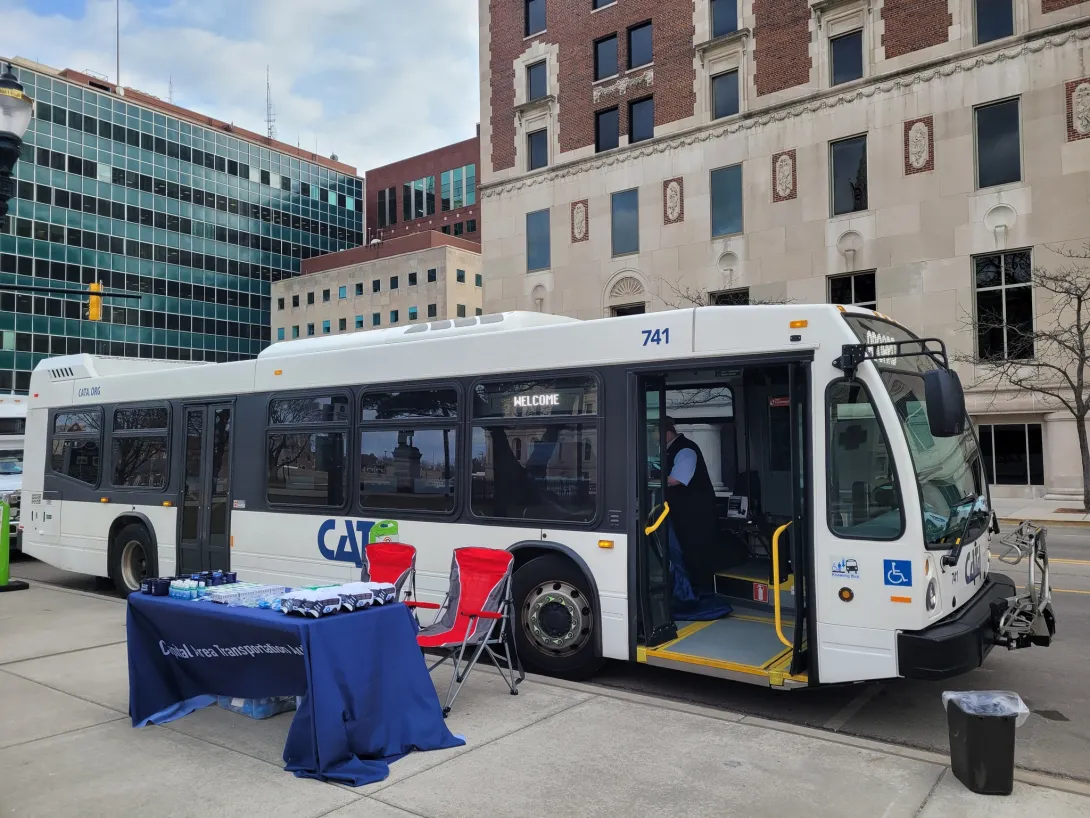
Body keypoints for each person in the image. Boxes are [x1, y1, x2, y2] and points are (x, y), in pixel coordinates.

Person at [661, 416, 721, 598]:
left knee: (694, 550)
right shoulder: (672, 450)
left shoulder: (686, 450)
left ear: (668, 433)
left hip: (695, 512)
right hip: (683, 511)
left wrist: (651, 480)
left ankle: (698, 591)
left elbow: (676, 479)